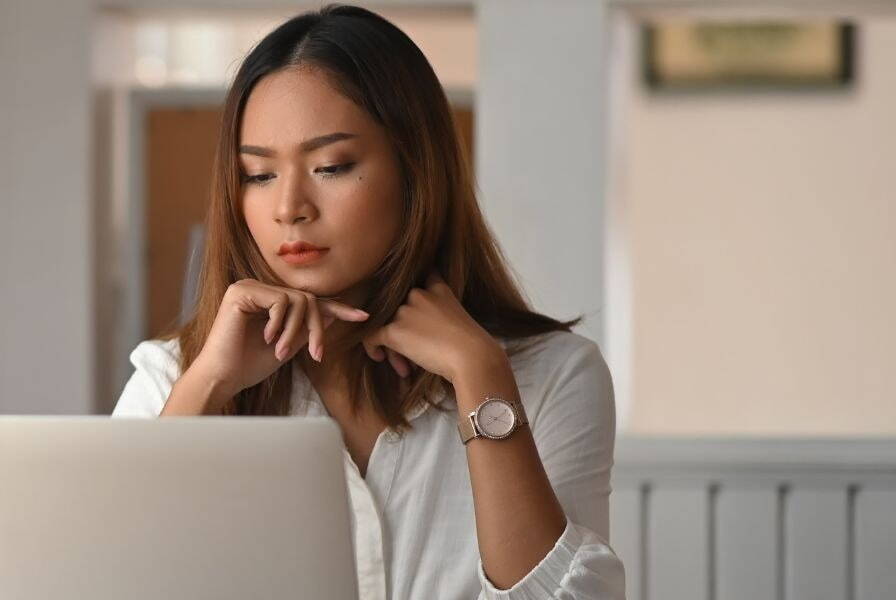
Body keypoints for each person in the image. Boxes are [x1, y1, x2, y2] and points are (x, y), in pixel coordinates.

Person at [111, 5, 624, 599]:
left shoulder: (552, 376)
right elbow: (104, 580)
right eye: (258, 175)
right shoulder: (173, 377)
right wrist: (208, 387)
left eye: (332, 166)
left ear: (417, 171)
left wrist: (482, 377)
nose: (288, 208)